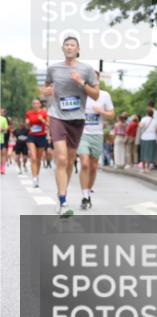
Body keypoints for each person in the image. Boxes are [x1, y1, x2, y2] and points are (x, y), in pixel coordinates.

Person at [41, 35, 100, 217]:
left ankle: (62, 192)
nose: (69, 47)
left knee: (70, 158)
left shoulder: (87, 69)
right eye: (66, 44)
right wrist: (46, 93)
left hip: (77, 118)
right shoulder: (53, 69)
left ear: (78, 49)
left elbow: (96, 95)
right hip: (57, 115)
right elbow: (45, 91)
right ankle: (63, 200)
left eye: (72, 45)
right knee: (61, 158)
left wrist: (80, 82)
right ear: (63, 48)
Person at [77, 79, 115, 210]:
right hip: (82, 134)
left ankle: (88, 190)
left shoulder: (105, 95)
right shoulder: (80, 94)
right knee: (85, 164)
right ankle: (84, 195)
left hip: (97, 135)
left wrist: (102, 112)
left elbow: (112, 114)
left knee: (93, 167)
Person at [25, 99, 48, 188]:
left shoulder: (44, 113)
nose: (35, 105)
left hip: (41, 137)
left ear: (40, 105)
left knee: (38, 159)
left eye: (37, 103)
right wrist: (27, 123)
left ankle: (37, 176)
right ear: (32, 105)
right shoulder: (29, 113)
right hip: (32, 136)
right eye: (34, 103)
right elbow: (27, 124)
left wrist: (42, 120)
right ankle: (34, 178)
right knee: (33, 157)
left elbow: (49, 124)